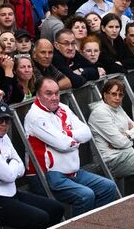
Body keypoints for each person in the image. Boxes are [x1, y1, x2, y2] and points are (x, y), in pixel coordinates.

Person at [0, 102, 64, 229]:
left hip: (9, 193)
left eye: (7, 120)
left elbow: (21, 167)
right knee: (39, 218)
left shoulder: (3, 136)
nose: (4, 124)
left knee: (56, 209)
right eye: (0, 120)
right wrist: (12, 164)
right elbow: (9, 176)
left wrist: (9, 165)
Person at [24, 78, 117, 214]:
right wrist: (73, 139)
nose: (54, 97)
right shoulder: (35, 116)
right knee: (86, 195)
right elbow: (63, 144)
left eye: (57, 93)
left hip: (72, 171)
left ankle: (97, 228)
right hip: (47, 175)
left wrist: (66, 134)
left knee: (108, 187)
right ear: (38, 95)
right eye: (48, 94)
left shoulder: (63, 108)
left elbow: (86, 132)